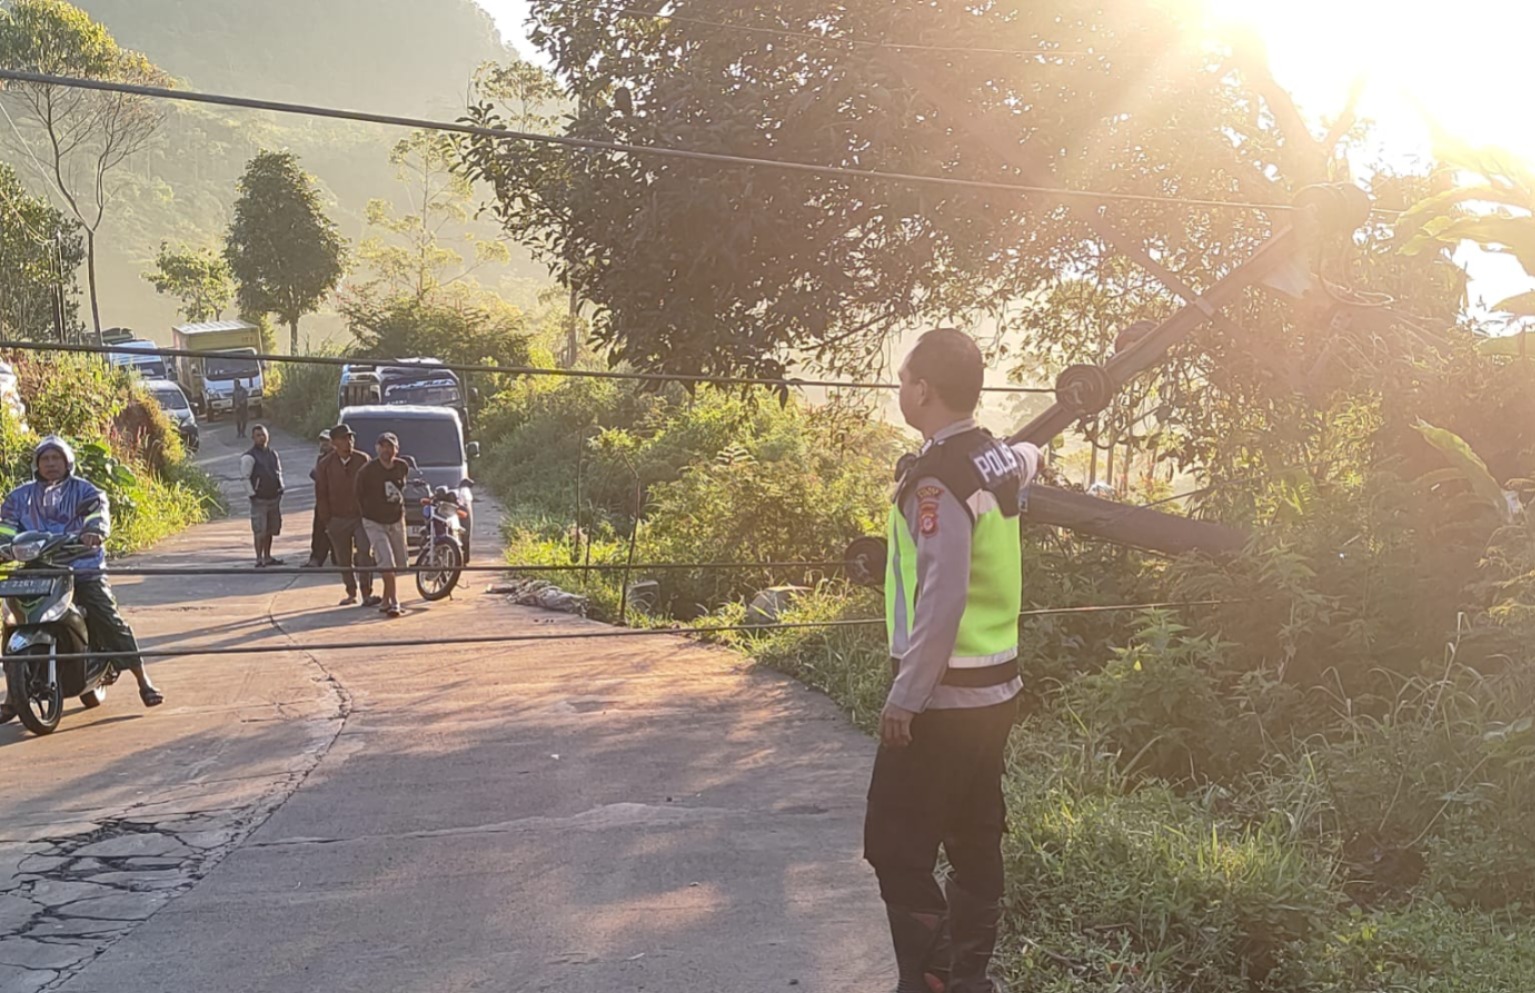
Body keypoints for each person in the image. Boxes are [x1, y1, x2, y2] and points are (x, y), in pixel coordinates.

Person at [865, 329, 1041, 993]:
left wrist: (904, 696)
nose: (899, 388)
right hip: (996, 690)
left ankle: (931, 984)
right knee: (973, 839)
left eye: (902, 378)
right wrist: (1031, 450)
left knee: (894, 847)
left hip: (942, 697)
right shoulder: (993, 458)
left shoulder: (935, 479)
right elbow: (1029, 456)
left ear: (923, 390)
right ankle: (970, 980)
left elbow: (942, 596)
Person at [0, 436, 166, 719]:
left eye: (56, 458)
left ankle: (143, 680)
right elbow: (5, 527)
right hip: (34, 570)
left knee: (107, 616)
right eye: (45, 459)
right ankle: (13, 695)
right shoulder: (19, 496)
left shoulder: (87, 491)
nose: (51, 464)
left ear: (67, 462)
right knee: (11, 621)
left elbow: (97, 515)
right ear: (36, 465)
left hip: (82, 568)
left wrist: (93, 532)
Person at [312, 423, 379, 607]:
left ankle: (367, 592)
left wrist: (371, 513)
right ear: (334, 443)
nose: (348, 442)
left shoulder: (363, 460)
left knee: (364, 552)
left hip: (360, 517)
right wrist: (328, 520)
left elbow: (373, 488)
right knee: (343, 558)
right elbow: (321, 493)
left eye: (350, 438)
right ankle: (351, 591)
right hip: (337, 518)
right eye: (343, 439)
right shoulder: (325, 464)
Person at [355, 432, 413, 618]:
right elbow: (358, 494)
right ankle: (395, 602)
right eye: (383, 446)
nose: (386, 450)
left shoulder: (402, 466)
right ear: (377, 448)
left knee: (399, 563)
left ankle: (386, 600)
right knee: (386, 562)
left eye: (391, 446)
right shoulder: (367, 471)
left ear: (397, 449)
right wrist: (366, 515)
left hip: (396, 519)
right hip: (374, 521)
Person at [240, 425, 285, 568]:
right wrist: (252, 494)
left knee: (271, 530)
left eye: (263, 434)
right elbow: (245, 477)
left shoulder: (273, 454)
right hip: (259, 500)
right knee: (260, 530)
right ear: (253, 438)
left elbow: (278, 472)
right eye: (258, 435)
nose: (261, 437)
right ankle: (259, 559)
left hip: (274, 497)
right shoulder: (249, 457)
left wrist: (281, 487)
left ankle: (268, 556)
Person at [303, 430, 334, 569]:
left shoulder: (336, 458)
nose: (323, 444)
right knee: (319, 530)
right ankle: (316, 558)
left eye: (326, 441)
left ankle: (334, 558)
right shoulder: (321, 458)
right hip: (322, 500)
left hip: (336, 501)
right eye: (322, 441)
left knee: (333, 531)